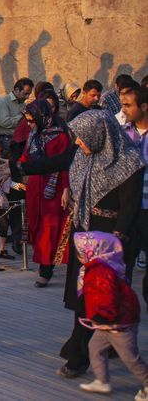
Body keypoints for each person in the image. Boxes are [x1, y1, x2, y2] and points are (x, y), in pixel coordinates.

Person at [57, 110, 144, 379]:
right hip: (85, 233)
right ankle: (82, 344)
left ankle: (87, 352)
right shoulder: (86, 158)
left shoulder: (129, 162)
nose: (78, 143)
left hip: (111, 239)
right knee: (82, 292)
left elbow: (130, 207)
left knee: (105, 295)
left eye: (83, 137)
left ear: (99, 133)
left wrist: (116, 241)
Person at [71, 232, 148, 398]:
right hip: (106, 322)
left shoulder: (100, 271)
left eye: (80, 251)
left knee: (130, 359)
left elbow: (108, 296)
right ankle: (102, 381)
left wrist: (102, 316)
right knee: (95, 348)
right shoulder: (100, 266)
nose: (78, 255)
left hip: (118, 322)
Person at [19, 100, 73, 287]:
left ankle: (45, 270)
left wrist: (66, 188)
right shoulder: (34, 135)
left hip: (54, 186)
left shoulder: (60, 136)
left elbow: (65, 163)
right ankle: (44, 261)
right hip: (35, 186)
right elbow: (25, 158)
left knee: (49, 229)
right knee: (36, 225)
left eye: (31, 120)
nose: (29, 124)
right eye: (27, 120)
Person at [121, 86, 148, 304]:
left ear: (144, 107)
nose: (124, 110)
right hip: (127, 208)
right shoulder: (122, 133)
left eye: (128, 105)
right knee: (124, 261)